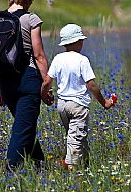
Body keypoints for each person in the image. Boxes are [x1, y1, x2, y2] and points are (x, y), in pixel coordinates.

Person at [0, 0, 53, 170]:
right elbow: (39, 55)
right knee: (23, 130)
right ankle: (11, 173)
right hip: (28, 80)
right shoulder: (30, 19)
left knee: (24, 126)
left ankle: (38, 165)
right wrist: (46, 85)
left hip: (6, 82)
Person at [42, 23, 113, 169]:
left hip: (62, 105)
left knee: (75, 136)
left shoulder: (58, 58)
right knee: (76, 138)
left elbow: (47, 81)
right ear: (77, 42)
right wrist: (104, 102)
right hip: (78, 106)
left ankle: (84, 164)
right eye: (81, 40)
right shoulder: (82, 60)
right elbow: (91, 85)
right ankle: (71, 168)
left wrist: (43, 94)